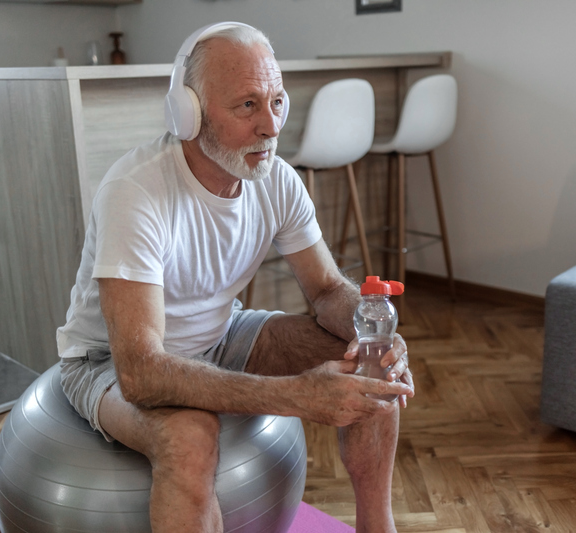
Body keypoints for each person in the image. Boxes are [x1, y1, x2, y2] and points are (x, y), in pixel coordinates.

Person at [56, 21, 413, 533]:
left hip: (223, 334)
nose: (271, 126)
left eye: (277, 101)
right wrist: (296, 394)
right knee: (189, 435)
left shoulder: (276, 178)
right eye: (247, 105)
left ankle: (378, 527)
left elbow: (328, 290)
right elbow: (141, 371)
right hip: (106, 362)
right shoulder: (136, 193)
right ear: (189, 113)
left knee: (371, 366)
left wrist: (374, 334)